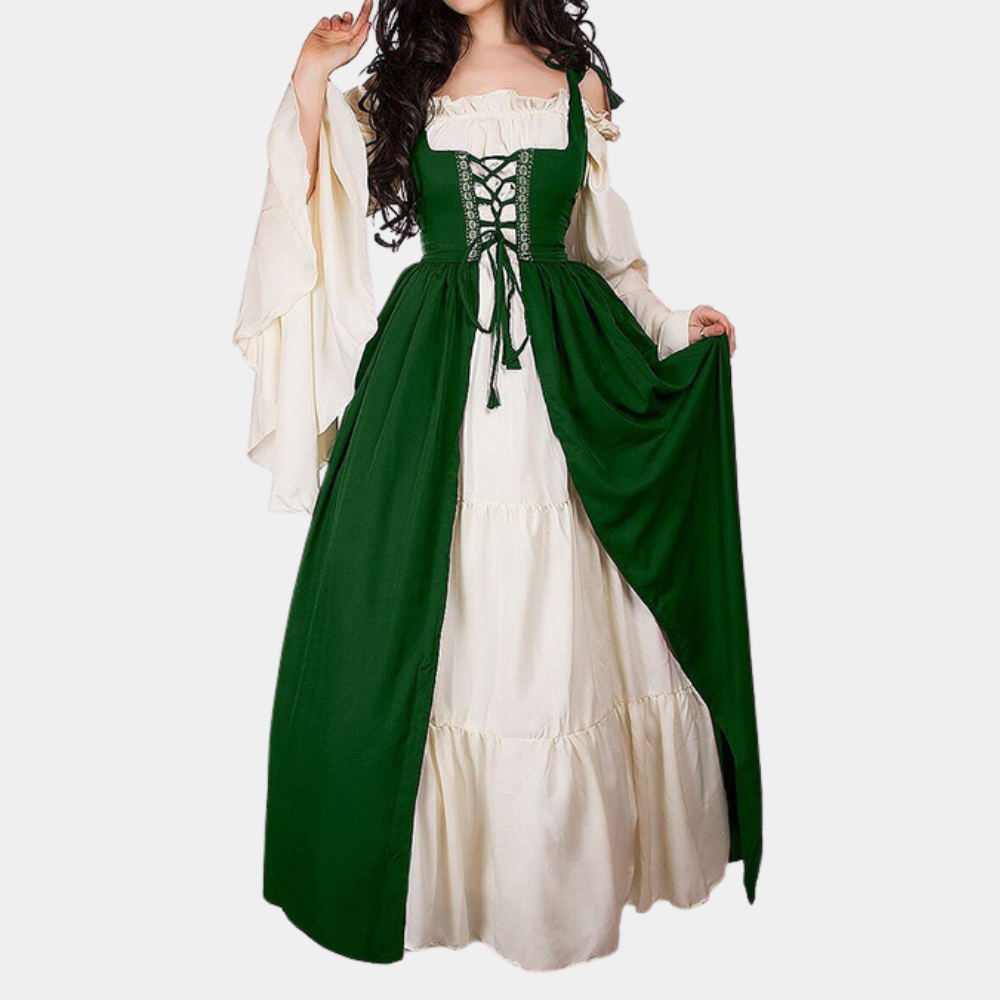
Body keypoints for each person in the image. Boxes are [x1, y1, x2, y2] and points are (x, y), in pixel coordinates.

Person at [233, 0, 762, 971]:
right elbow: (306, 202)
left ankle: (552, 889)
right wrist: (311, 75)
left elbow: (608, 262)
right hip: (429, 388)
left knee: (561, 629)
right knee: (416, 611)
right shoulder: (404, 89)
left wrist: (674, 323)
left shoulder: (576, 86)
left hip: (568, 386)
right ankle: (434, 876)